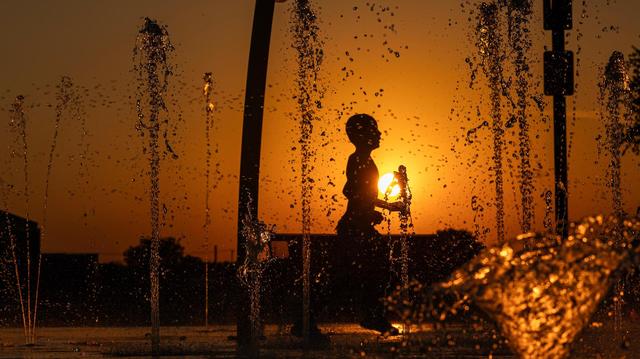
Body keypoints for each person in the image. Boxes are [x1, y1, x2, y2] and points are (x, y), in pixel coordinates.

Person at [335, 113, 404, 335]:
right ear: (362, 135)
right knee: (375, 268)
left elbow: (350, 190)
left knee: (353, 273)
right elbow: (355, 192)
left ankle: (372, 314)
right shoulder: (358, 160)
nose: (380, 134)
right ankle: (371, 315)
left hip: (357, 225)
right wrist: (371, 210)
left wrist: (383, 207)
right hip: (355, 227)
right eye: (375, 130)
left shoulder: (362, 160)